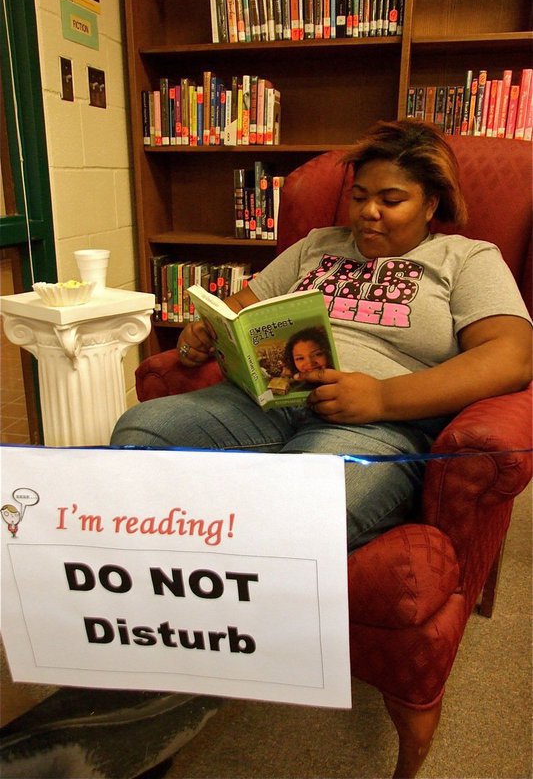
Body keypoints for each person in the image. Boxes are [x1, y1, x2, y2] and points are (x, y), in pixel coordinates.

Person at [112, 119, 532, 550]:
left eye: (391, 200)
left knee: (299, 509)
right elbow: (237, 308)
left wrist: (382, 398)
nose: (369, 212)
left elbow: (512, 356)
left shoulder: (464, 258)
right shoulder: (317, 245)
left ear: (430, 205)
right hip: (266, 400)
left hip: (378, 422)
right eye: (360, 197)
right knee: (141, 434)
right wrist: (202, 332)